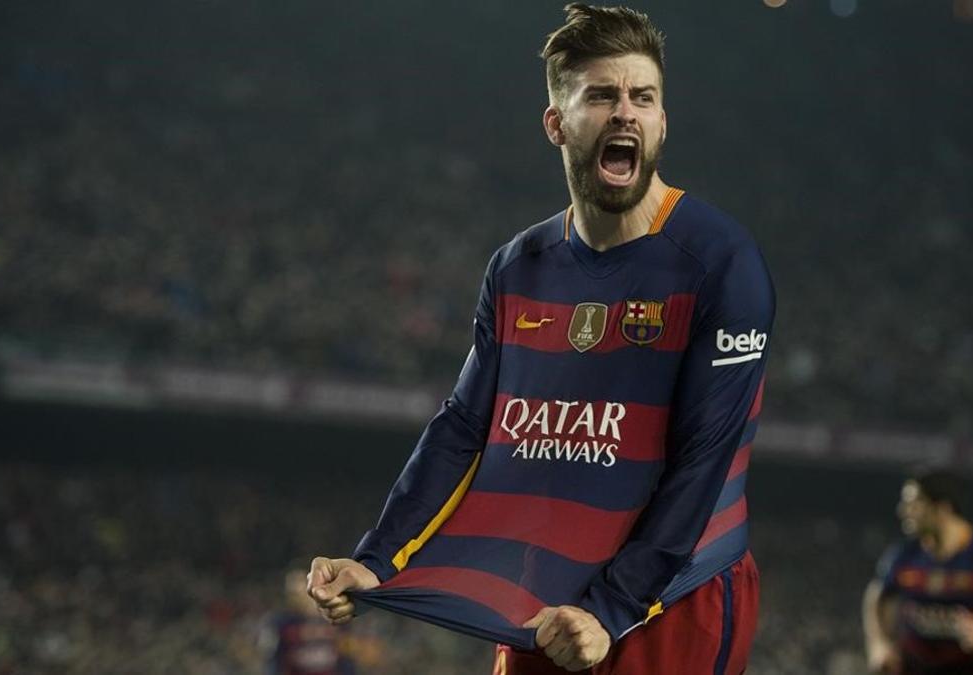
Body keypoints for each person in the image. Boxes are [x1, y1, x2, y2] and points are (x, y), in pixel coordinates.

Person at [306, 4, 775, 673]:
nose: (624, 112)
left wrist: (611, 608)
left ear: (662, 123)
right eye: (601, 95)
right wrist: (376, 558)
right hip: (543, 592)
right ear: (557, 123)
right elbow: (466, 427)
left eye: (643, 97)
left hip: (674, 598)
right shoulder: (518, 267)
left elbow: (702, 462)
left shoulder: (720, 263)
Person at [863, 468, 973, 675]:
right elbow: (877, 596)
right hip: (913, 667)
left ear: (942, 508)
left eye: (914, 503)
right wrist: (880, 644)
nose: (903, 510)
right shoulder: (904, 554)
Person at [260, 569, 356, 675]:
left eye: (298, 586)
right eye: (291, 590)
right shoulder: (281, 623)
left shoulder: (336, 617)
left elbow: (346, 657)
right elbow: (274, 661)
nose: (295, 592)